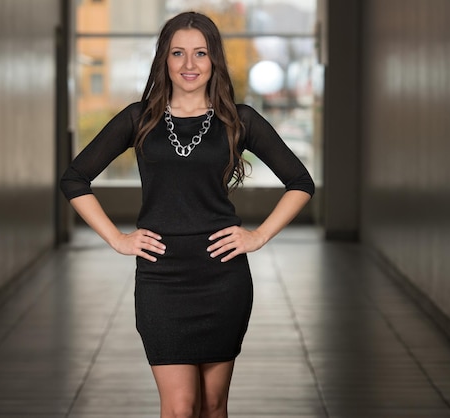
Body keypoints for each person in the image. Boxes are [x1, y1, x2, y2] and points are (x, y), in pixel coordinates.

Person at [60, 11, 314, 418]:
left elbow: (300, 182)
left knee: (213, 406)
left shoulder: (239, 120)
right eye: (178, 53)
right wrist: (119, 239)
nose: (189, 64)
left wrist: (257, 236)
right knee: (179, 407)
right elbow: (75, 179)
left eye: (200, 53)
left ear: (214, 60)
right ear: (164, 59)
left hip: (222, 275)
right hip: (161, 278)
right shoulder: (138, 118)